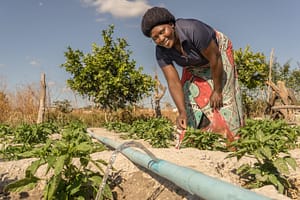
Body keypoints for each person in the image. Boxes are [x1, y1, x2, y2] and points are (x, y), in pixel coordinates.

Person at [141, 7, 244, 142]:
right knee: (189, 101)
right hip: (193, 64)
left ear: (171, 25)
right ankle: (199, 137)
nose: (161, 39)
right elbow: (173, 82)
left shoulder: (193, 30)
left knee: (224, 102)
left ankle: (233, 139)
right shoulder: (161, 51)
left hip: (218, 55)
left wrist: (217, 90)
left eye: (162, 32)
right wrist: (182, 111)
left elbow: (216, 59)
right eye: (155, 38)